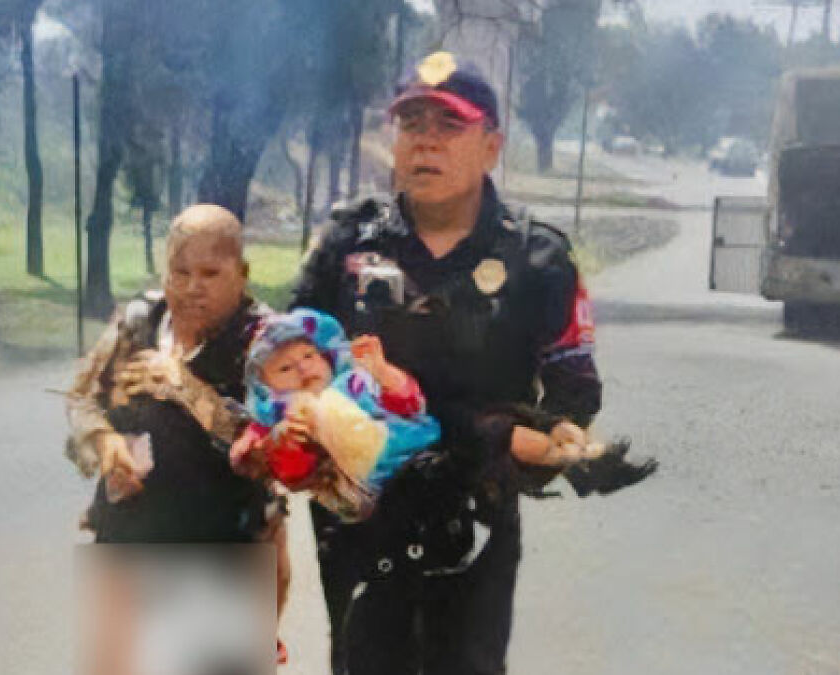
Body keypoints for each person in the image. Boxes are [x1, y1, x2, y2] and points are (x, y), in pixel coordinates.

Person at [291, 51, 655, 675]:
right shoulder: (347, 243)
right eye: (412, 126)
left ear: (492, 146)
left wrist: (555, 436)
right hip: (358, 516)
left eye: (448, 128)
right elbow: (285, 355)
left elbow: (573, 389)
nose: (425, 144)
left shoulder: (536, 259)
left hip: (476, 515)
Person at [63, 204, 291, 662]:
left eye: (210, 272)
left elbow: (273, 445)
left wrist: (185, 388)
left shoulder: (269, 342)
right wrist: (103, 444)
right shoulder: (136, 322)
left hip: (222, 545)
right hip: (126, 536)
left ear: (241, 273)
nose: (192, 287)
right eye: (180, 270)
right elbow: (80, 398)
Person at [232, 307, 442, 521]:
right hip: (365, 496)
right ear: (266, 388)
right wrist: (282, 445)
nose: (303, 368)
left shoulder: (355, 382)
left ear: (326, 356)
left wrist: (383, 372)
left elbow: (409, 404)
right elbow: (288, 470)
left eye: (309, 355)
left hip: (415, 455)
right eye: (285, 368)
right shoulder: (282, 419)